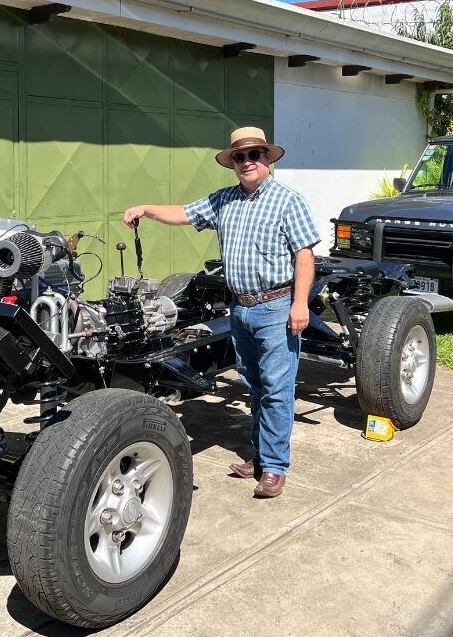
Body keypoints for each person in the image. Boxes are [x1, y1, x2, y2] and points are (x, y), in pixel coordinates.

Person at [124, 127, 320, 498]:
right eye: (240, 157)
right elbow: (183, 213)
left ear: (267, 159)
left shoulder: (287, 201)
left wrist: (299, 304)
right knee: (255, 386)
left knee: (277, 390)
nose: (247, 162)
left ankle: (275, 468)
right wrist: (146, 209)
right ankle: (261, 459)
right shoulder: (223, 201)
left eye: (254, 155)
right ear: (233, 164)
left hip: (276, 307)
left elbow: (304, 255)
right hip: (240, 309)